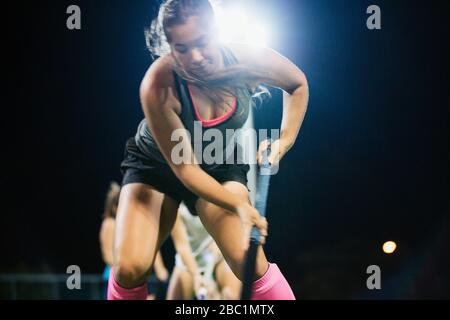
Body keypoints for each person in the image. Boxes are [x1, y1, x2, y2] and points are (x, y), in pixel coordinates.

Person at [108, 0, 309, 300]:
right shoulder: (157, 85)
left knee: (248, 261)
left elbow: (297, 84)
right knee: (130, 266)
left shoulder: (248, 60)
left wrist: (285, 139)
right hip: (156, 168)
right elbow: (185, 169)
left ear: (216, 31)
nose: (196, 57)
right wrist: (240, 206)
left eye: (202, 42)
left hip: (219, 163)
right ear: (169, 45)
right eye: (182, 48)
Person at [99, 182, 169, 299]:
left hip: (138, 275)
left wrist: (160, 268)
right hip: (117, 278)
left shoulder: (132, 223)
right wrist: (126, 271)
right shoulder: (109, 224)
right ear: (115, 206)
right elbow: (108, 257)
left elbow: (149, 245)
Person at [166, 202, 241, 300]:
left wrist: (219, 243)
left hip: (219, 255)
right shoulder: (174, 201)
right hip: (189, 260)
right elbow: (182, 246)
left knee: (232, 295)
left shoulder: (217, 193)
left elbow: (231, 223)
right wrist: (196, 275)